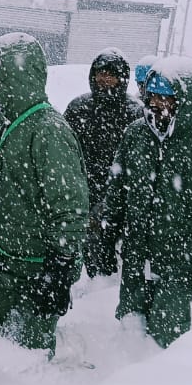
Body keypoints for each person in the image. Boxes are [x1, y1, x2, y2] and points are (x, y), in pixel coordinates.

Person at [101, 61, 192, 347]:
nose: (156, 103)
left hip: (182, 257)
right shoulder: (135, 135)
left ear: (183, 100)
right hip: (137, 253)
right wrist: (107, 233)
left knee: (166, 333)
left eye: (165, 97)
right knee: (131, 329)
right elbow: (116, 190)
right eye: (151, 96)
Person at [0, 33, 89, 357]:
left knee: (24, 359)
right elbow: (16, 186)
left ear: (19, 75)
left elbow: (70, 208)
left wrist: (59, 270)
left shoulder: (48, 130)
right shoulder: (16, 124)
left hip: (36, 271)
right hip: (3, 262)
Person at [64, 49, 141, 276]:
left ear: (122, 78)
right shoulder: (79, 107)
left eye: (111, 74)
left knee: (109, 249)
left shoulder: (135, 112)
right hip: (81, 189)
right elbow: (66, 151)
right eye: (100, 73)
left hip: (118, 193)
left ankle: (101, 292)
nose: (105, 79)